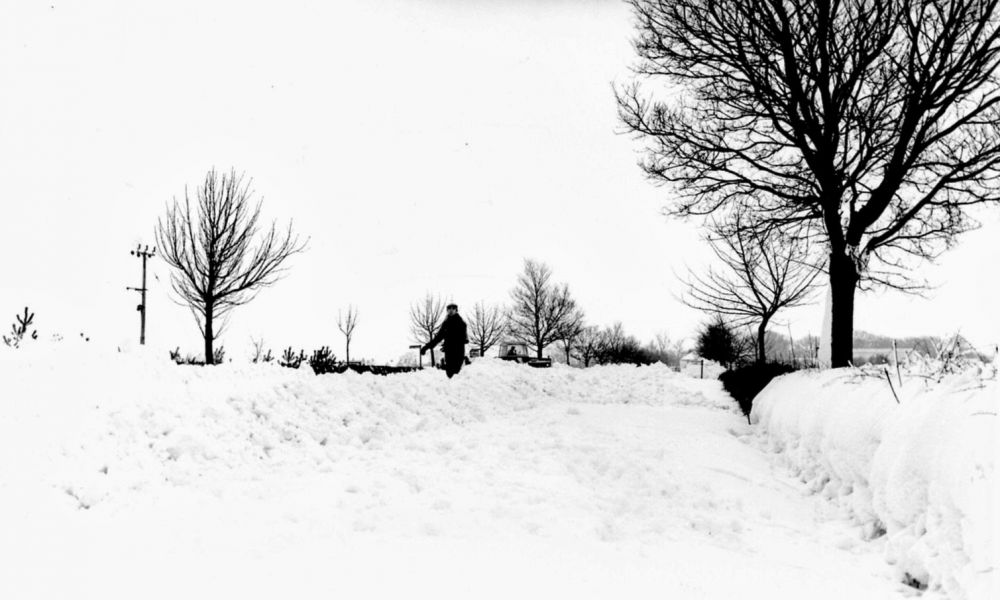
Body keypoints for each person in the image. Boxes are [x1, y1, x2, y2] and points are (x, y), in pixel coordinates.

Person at [421, 303, 468, 378]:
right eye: (449, 309)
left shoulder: (461, 323)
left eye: (453, 308)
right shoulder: (446, 324)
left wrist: (448, 344)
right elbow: (438, 338)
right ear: (447, 311)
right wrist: (426, 347)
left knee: (455, 375)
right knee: (449, 375)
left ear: (456, 310)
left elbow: (463, 339)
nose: (451, 310)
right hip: (449, 354)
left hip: (458, 353)